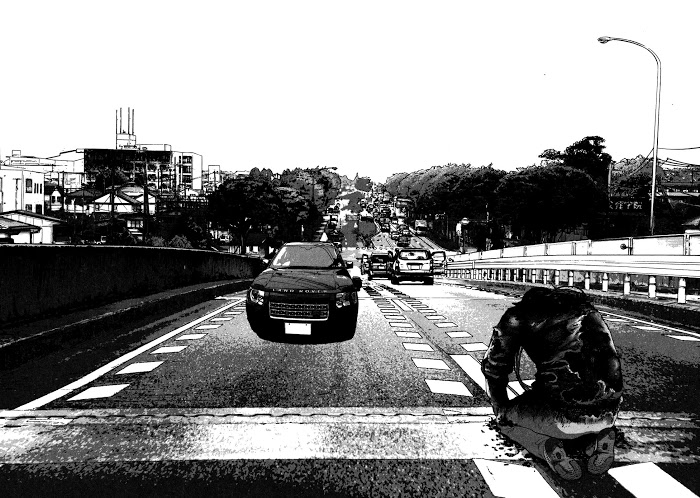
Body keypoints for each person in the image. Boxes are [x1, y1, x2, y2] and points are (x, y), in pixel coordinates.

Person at [481, 286, 623, 481]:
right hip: (610, 411)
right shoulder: (588, 311)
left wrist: (501, 409)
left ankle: (545, 446)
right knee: (580, 407)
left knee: (506, 420)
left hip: (561, 415)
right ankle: (596, 441)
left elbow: (494, 367)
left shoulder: (517, 317)